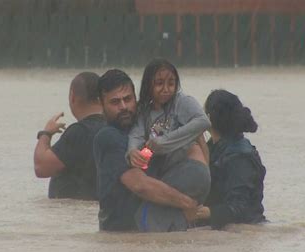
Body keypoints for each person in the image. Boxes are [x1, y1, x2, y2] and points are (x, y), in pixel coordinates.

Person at [93, 69, 202, 232]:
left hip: (152, 228)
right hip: (122, 234)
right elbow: (139, 185)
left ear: (136, 98)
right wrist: (188, 204)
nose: (124, 107)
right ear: (101, 104)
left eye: (128, 99)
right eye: (115, 102)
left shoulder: (147, 128)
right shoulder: (109, 137)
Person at [126, 58, 211, 232]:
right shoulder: (144, 111)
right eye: (159, 83)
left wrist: (164, 142)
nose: (166, 89)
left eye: (171, 83)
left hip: (190, 170)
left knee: (144, 216)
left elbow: (203, 122)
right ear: (148, 85)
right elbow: (136, 134)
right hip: (169, 173)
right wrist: (132, 151)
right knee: (167, 216)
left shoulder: (182, 102)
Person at [195, 89, 266, 229]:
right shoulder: (213, 147)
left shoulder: (239, 156)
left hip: (244, 230)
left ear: (209, 117)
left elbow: (240, 207)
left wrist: (209, 212)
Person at [34, 72, 105, 199]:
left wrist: (46, 134)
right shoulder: (115, 128)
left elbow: (41, 167)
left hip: (75, 214)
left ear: (72, 96)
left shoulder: (79, 132)